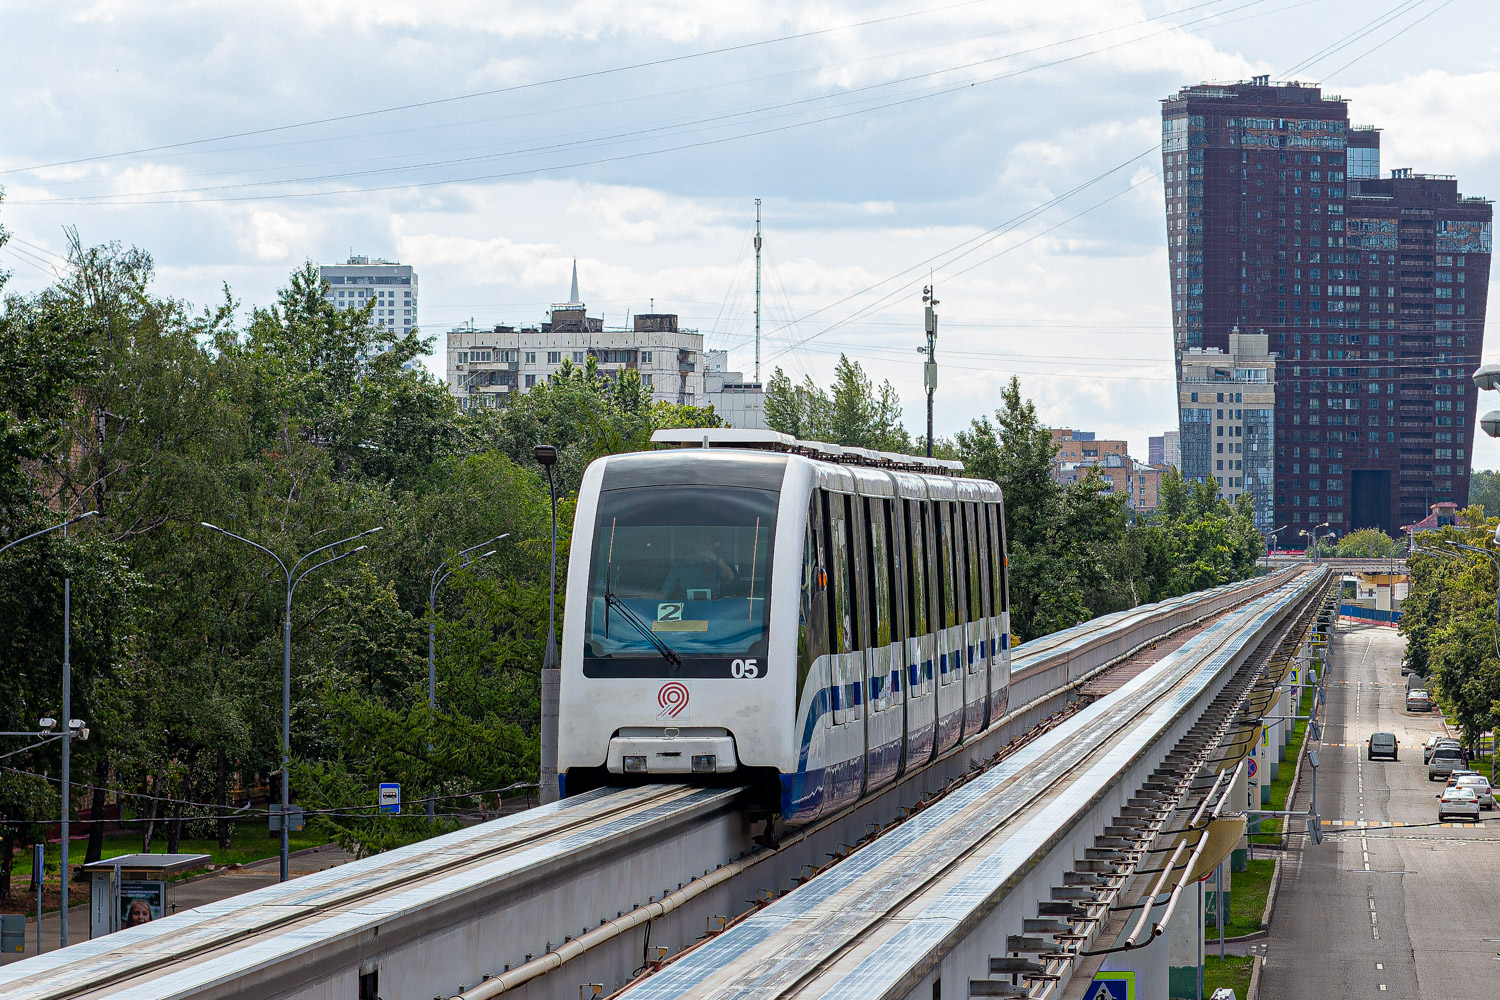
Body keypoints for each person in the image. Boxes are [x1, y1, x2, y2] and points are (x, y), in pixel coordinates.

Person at [662, 539, 734, 599]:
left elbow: (730, 577)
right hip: (685, 606)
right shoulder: (681, 565)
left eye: (706, 544)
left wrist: (718, 561)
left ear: (711, 547)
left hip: (714, 607)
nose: (703, 546)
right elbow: (665, 593)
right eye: (700, 543)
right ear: (694, 545)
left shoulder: (716, 564)